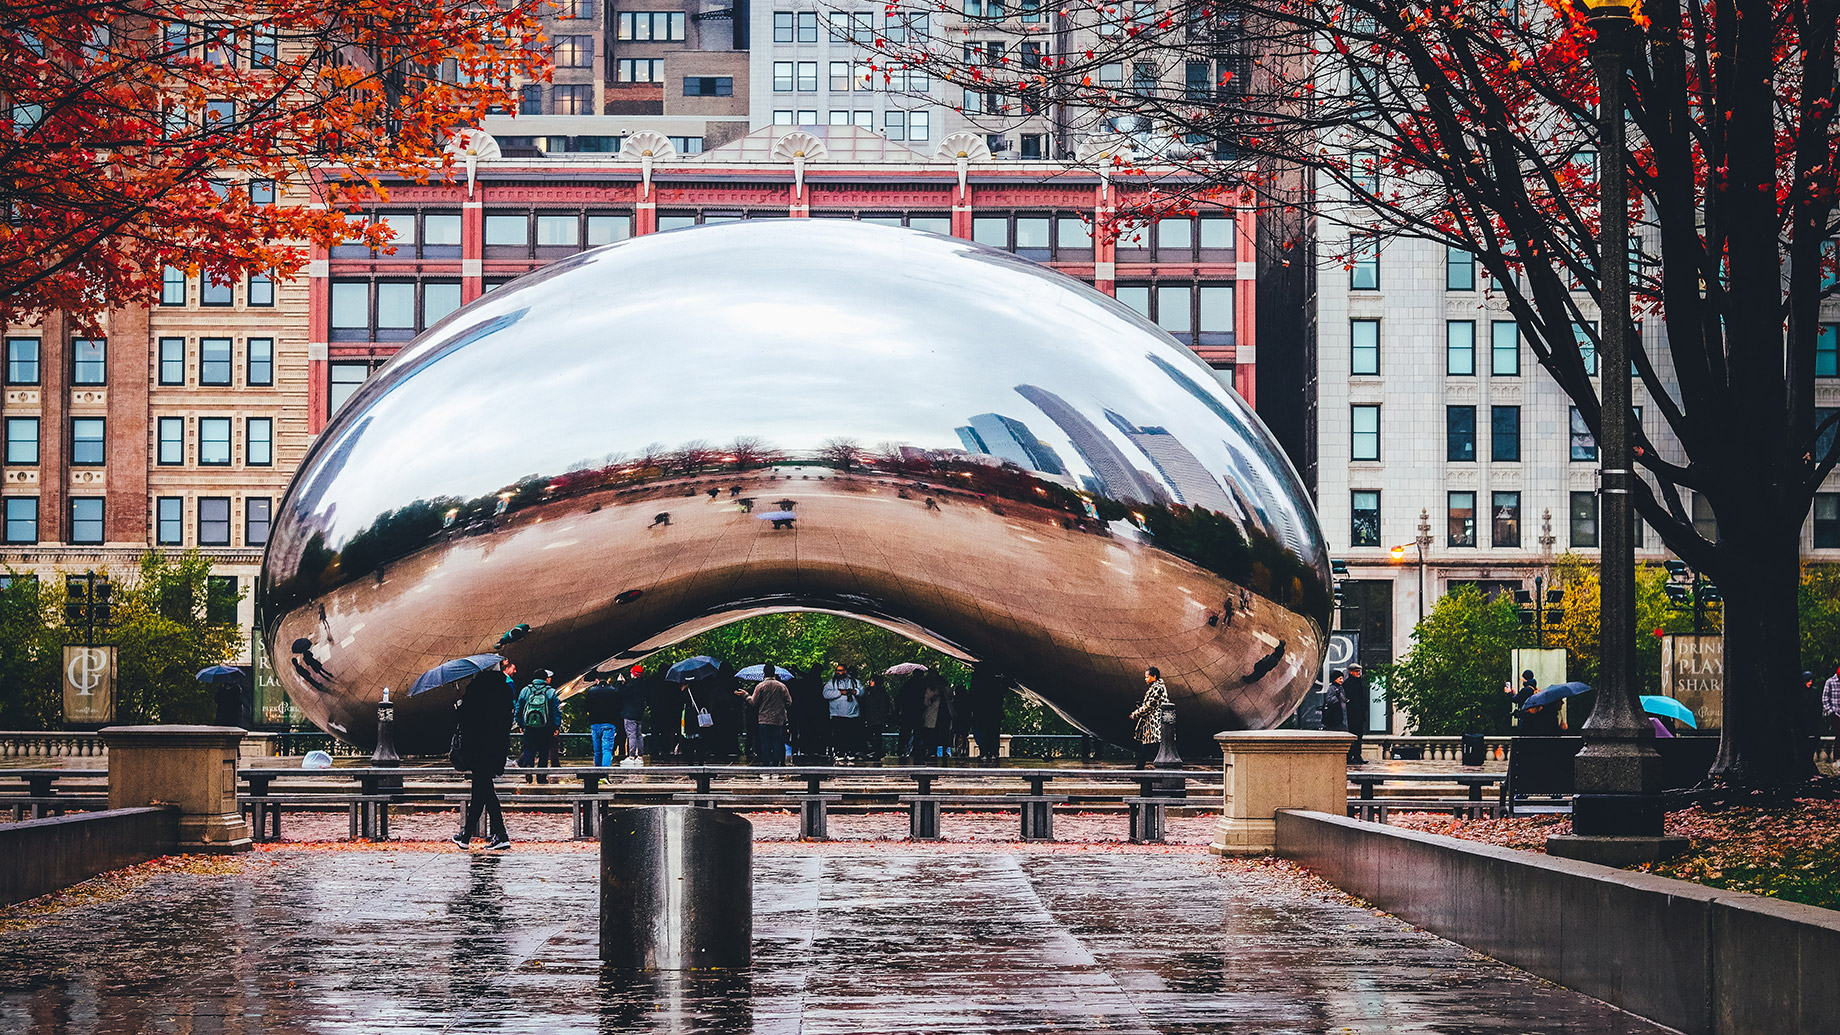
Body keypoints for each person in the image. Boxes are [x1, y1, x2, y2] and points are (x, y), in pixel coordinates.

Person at [453, 662, 515, 849]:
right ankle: (466, 835)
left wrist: (459, 702)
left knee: (484, 791)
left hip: (478, 747)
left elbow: (466, 718)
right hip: (496, 748)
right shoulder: (505, 690)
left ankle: (501, 834)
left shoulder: (476, 688)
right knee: (481, 790)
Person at [738, 663, 793, 767]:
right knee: (777, 742)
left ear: (764, 673)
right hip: (778, 719)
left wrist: (745, 695)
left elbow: (753, 702)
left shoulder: (760, 686)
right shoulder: (782, 686)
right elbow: (789, 702)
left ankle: (766, 763)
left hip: (764, 719)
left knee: (765, 743)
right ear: (774, 673)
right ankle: (776, 763)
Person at [514, 670, 561, 784]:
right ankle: (541, 777)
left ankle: (529, 771)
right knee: (543, 752)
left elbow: (518, 708)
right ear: (545, 679)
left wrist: (520, 723)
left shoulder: (526, 690)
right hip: (546, 727)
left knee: (529, 749)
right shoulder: (550, 692)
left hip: (529, 727)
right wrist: (556, 726)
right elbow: (556, 711)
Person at [823, 663, 865, 761]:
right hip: (837, 714)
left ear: (845, 671)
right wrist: (840, 692)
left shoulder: (854, 682)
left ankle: (851, 752)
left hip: (852, 714)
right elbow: (825, 694)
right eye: (837, 670)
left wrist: (855, 692)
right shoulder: (831, 683)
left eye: (840, 670)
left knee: (851, 735)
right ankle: (839, 753)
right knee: (838, 735)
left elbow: (862, 691)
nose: (838, 672)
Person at [1130, 667, 1170, 769]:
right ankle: (1141, 767)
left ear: (1154, 677)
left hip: (1154, 721)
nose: (1145, 679)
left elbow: (1150, 705)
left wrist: (1136, 713)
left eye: (1147, 677)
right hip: (1152, 721)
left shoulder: (1157, 688)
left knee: (1149, 745)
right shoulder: (1155, 687)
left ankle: (1140, 767)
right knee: (1150, 744)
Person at [968, 667, 1006, 764]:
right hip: (993, 711)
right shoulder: (995, 683)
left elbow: (972, 696)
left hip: (981, 711)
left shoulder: (977, 683)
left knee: (983, 731)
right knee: (993, 732)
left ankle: (984, 752)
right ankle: (993, 752)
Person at [583, 670, 620, 768]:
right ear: (608, 680)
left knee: (597, 750)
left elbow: (586, 707)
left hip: (595, 723)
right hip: (609, 723)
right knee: (607, 749)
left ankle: (597, 771)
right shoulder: (614, 691)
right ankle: (604, 773)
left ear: (596, 680)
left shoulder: (591, 691)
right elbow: (618, 707)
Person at [617, 664, 648, 766]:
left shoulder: (631, 685)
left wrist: (620, 683)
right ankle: (640, 756)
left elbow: (620, 693)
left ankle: (631, 756)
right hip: (639, 713)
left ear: (633, 673)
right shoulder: (643, 685)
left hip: (629, 713)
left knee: (631, 735)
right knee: (639, 735)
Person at [895, 671, 927, 763]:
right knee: (917, 733)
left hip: (908, 712)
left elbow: (899, 699)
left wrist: (898, 712)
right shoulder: (922, 685)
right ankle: (915, 750)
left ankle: (901, 749)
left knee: (906, 732)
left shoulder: (907, 685)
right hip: (917, 712)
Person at [859, 674, 891, 763]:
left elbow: (883, 705)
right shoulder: (869, 691)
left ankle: (877, 751)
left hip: (876, 717)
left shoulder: (880, 692)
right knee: (872, 735)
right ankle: (876, 750)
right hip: (871, 716)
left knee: (876, 735)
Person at [1344, 663, 1371, 764]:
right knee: (1353, 735)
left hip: (1360, 714)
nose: (1358, 673)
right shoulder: (1348, 683)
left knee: (1359, 736)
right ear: (1351, 672)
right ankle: (1351, 756)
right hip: (1352, 714)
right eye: (1356, 671)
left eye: (1359, 671)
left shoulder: (1360, 682)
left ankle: (1357, 755)